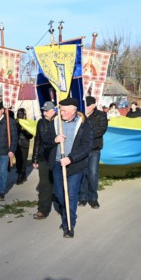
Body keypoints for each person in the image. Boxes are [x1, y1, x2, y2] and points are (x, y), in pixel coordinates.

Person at [45, 97, 92, 238]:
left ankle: (69, 225)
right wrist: (54, 140)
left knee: (70, 196)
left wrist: (70, 158)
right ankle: (66, 215)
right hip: (58, 164)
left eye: (64, 110)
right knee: (60, 195)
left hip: (75, 165)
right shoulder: (55, 122)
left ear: (73, 110)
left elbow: (86, 147)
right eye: (60, 109)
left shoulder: (84, 124)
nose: (61, 112)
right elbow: (45, 141)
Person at [78, 96, 108, 209]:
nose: (86, 107)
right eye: (85, 105)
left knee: (93, 173)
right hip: (82, 149)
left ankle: (93, 198)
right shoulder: (80, 115)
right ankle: (82, 197)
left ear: (93, 105)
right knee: (82, 173)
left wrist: (86, 135)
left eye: (88, 105)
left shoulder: (101, 115)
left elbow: (101, 130)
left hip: (94, 149)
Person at [31, 101, 57, 219]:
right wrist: (35, 158)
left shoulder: (59, 122)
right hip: (43, 157)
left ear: (53, 111)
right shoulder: (41, 123)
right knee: (44, 184)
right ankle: (43, 209)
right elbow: (38, 141)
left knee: (57, 183)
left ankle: (61, 204)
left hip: (56, 157)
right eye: (43, 110)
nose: (44, 112)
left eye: (46, 110)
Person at [15, 108, 33, 185]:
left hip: (24, 144)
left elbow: (30, 135)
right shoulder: (15, 122)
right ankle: (22, 173)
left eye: (21, 114)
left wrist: (25, 130)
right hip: (16, 144)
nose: (20, 115)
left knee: (23, 160)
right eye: (19, 113)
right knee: (18, 161)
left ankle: (21, 175)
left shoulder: (27, 123)